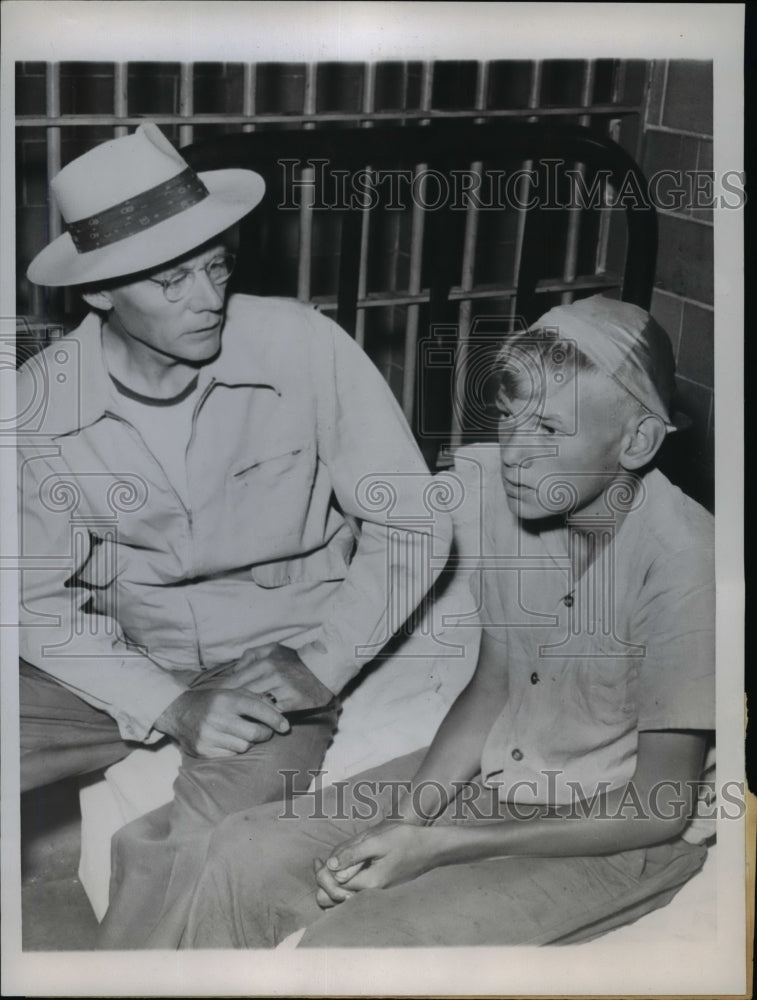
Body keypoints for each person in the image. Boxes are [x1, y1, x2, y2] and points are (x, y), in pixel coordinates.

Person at [18, 122, 451, 947]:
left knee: (209, 855)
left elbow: (411, 519)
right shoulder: (40, 401)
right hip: (122, 653)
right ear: (100, 292)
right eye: (172, 280)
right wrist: (168, 705)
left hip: (274, 660)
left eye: (216, 265)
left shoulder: (303, 345)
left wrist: (323, 664)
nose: (207, 297)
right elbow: (30, 600)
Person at [180, 294, 715, 949]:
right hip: (499, 773)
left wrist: (437, 846)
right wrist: (402, 825)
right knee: (245, 848)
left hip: (611, 827)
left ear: (636, 441)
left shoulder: (687, 560)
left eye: (549, 429)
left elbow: (658, 806)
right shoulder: (505, 495)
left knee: (358, 943)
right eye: (508, 418)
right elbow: (492, 686)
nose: (514, 452)